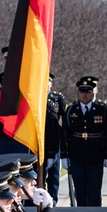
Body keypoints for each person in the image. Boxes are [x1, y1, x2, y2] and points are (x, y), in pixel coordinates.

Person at [63, 77, 107, 207]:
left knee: (94, 189)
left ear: (94, 92)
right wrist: (64, 155)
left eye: (88, 91)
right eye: (82, 91)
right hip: (76, 154)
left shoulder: (103, 109)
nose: (84, 95)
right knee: (79, 188)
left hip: (96, 154)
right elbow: (64, 133)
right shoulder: (71, 109)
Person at [44, 74, 65, 202]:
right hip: (39, 142)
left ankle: (53, 200)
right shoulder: (34, 97)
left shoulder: (57, 98)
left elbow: (64, 121)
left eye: (48, 81)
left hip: (53, 141)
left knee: (53, 175)